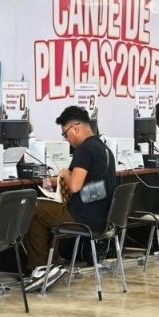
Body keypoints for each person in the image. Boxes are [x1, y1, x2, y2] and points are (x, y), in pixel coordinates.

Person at [23, 106, 116, 291]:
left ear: (75, 128)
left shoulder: (84, 150)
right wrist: (51, 180)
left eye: (65, 134)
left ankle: (41, 269)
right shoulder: (104, 149)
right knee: (48, 210)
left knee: (33, 207)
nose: (66, 139)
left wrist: (65, 173)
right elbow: (87, 180)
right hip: (102, 218)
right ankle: (53, 265)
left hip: (83, 219)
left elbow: (74, 185)